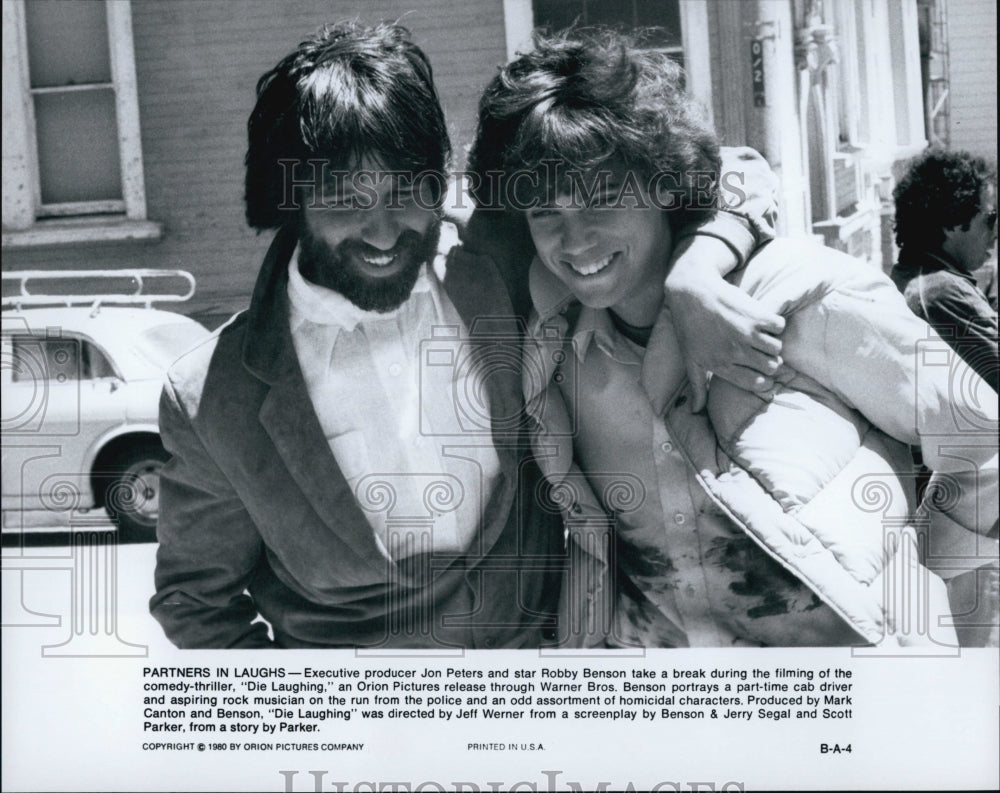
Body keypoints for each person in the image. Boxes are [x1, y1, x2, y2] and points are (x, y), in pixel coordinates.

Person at [149, 21, 783, 648]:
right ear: (290, 202)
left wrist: (696, 273)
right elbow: (195, 605)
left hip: (546, 705)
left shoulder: (501, 258)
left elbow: (728, 170)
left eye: (406, 193)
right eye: (344, 202)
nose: (382, 232)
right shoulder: (211, 396)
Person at [468, 29, 1000, 648]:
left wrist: (934, 606)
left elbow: (978, 434)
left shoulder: (795, 293)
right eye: (545, 214)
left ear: (663, 184)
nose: (576, 238)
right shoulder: (556, 355)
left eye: (603, 198)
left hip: (852, 705)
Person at [891, 149, 998, 392]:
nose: (995, 233)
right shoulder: (942, 292)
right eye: (990, 220)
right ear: (952, 221)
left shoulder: (915, 274)